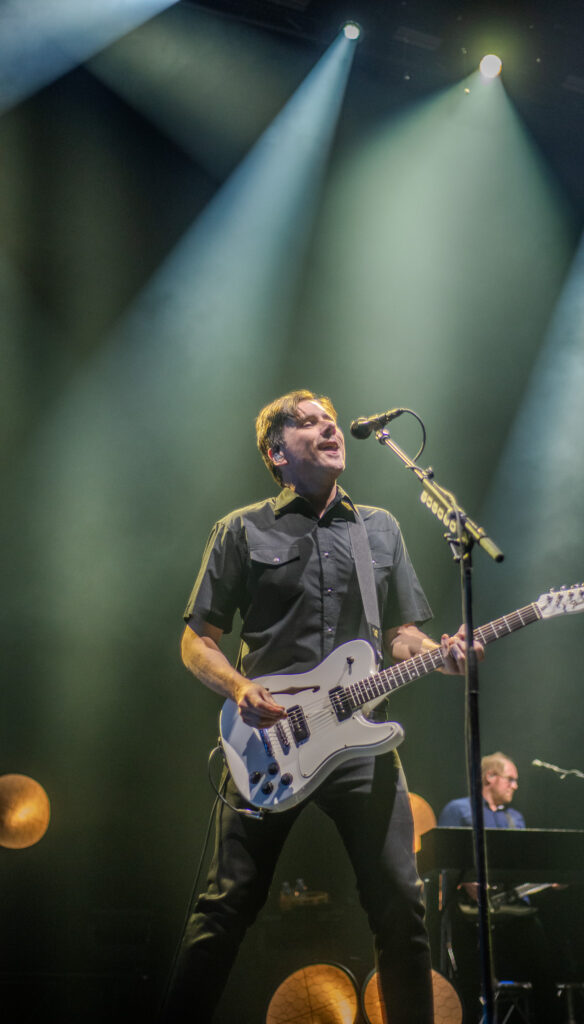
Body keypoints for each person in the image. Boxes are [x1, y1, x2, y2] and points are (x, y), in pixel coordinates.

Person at [160, 388, 483, 1024]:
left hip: (360, 742)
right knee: (227, 906)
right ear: (277, 453)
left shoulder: (379, 528)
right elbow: (196, 640)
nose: (330, 428)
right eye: (310, 422)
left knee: (401, 906)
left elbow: (401, 635)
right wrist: (239, 687)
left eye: (331, 420)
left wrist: (437, 653)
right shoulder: (242, 528)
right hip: (270, 741)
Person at [437, 753, 559, 1023]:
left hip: (513, 909)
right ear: (490, 777)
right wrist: (465, 882)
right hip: (470, 912)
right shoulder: (458, 809)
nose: (515, 785)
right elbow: (443, 858)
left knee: (544, 968)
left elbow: (523, 866)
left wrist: (549, 878)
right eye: (510, 779)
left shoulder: (516, 818)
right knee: (468, 980)